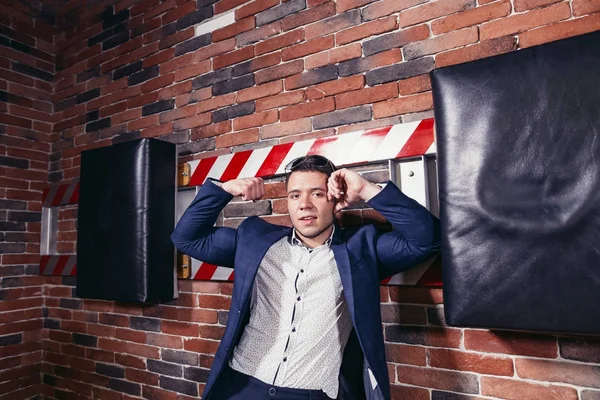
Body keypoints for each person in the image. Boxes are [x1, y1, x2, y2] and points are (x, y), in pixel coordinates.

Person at [171, 155, 441, 400]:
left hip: (312, 393)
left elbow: (428, 239)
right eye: (295, 195)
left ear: (335, 199)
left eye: (317, 194)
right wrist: (225, 190)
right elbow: (186, 238)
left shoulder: (361, 249)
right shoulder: (254, 239)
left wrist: (365, 190)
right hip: (240, 386)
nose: (305, 205)